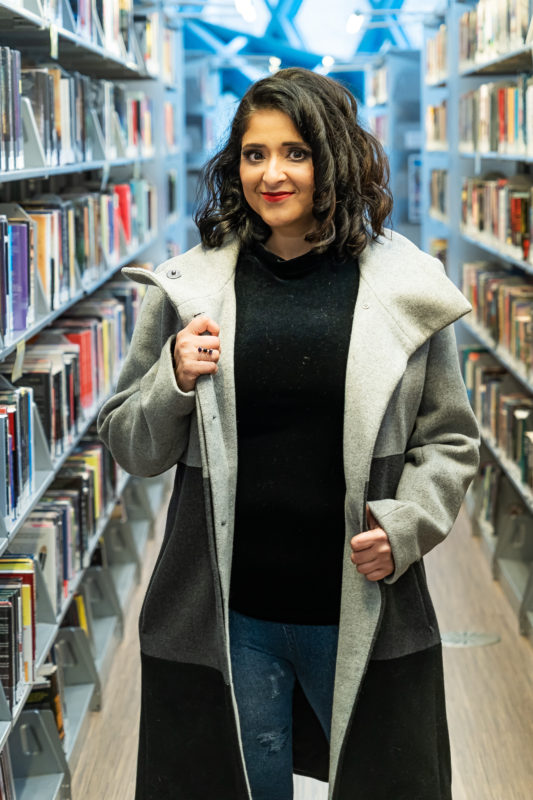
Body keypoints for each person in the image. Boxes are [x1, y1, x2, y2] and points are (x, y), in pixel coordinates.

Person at [97, 67, 480, 800]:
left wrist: (406, 524)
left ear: (333, 159)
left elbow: (450, 441)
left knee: (383, 780)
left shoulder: (404, 288)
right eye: (254, 154)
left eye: (295, 153)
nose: (271, 174)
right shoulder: (190, 288)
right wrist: (172, 377)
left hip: (360, 600)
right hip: (230, 613)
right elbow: (132, 447)